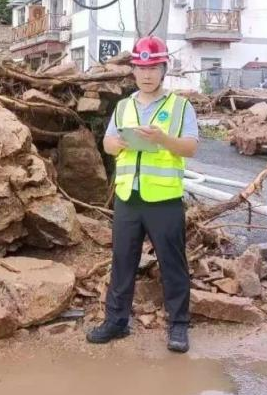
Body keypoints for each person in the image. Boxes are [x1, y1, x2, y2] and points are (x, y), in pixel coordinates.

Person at [85, 36, 199, 353]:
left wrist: (163, 139)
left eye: (153, 67)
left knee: (172, 263)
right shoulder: (123, 107)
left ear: (164, 69)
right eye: (140, 67)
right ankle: (116, 321)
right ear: (133, 70)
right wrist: (117, 144)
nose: (146, 74)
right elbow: (107, 143)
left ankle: (178, 325)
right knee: (122, 261)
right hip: (128, 198)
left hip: (163, 200)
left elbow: (190, 146)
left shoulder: (180, 106)